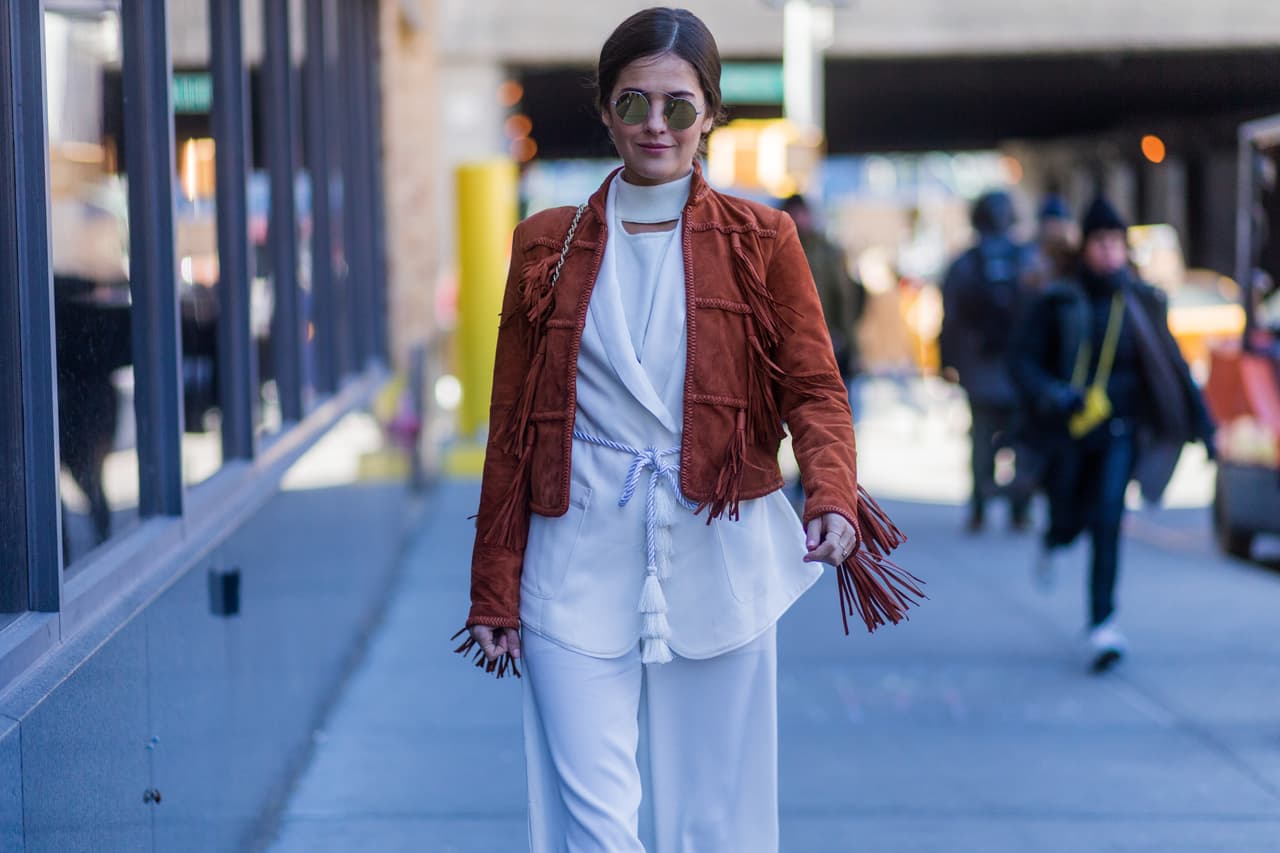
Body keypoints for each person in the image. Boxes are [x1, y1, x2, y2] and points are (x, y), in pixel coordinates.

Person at [452, 8, 921, 851]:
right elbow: (512, 427)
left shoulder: (762, 239)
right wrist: (495, 580)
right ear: (604, 110)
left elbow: (814, 386)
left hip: (717, 550)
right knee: (591, 824)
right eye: (634, 104)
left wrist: (832, 493)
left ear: (709, 111)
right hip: (572, 552)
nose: (656, 125)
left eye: (678, 103)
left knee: (715, 821)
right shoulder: (543, 245)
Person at [1009, 196, 1215, 673]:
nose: (1108, 252)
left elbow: (1173, 366)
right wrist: (1056, 395)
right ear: (1085, 247)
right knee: (1068, 517)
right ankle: (1056, 538)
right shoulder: (1057, 298)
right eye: (1100, 242)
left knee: (1107, 517)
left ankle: (1103, 622)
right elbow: (1022, 361)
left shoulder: (1141, 301)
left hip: (1122, 430)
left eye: (1116, 243)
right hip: (1066, 433)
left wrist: (1205, 427)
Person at [939, 191, 1034, 532]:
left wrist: (947, 361)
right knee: (1021, 438)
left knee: (980, 438)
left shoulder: (965, 264)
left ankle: (980, 504)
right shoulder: (1027, 259)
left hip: (980, 367)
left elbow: (950, 319)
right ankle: (1019, 507)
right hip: (1020, 369)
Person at [780, 194, 867, 388]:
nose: (798, 219)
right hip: (788, 345)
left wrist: (848, 343)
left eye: (801, 213)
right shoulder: (773, 248)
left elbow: (844, 299)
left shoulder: (828, 252)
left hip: (825, 342)